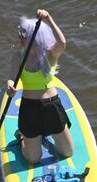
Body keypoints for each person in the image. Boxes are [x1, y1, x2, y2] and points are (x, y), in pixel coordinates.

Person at [7, 8, 73, 165]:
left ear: (34, 38)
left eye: (23, 35)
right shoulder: (18, 57)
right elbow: (11, 79)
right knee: (33, 159)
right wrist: (10, 86)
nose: (19, 37)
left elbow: (62, 42)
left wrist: (49, 18)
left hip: (52, 106)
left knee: (67, 153)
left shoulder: (50, 55)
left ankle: (41, 134)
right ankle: (23, 136)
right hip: (30, 109)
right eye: (20, 34)